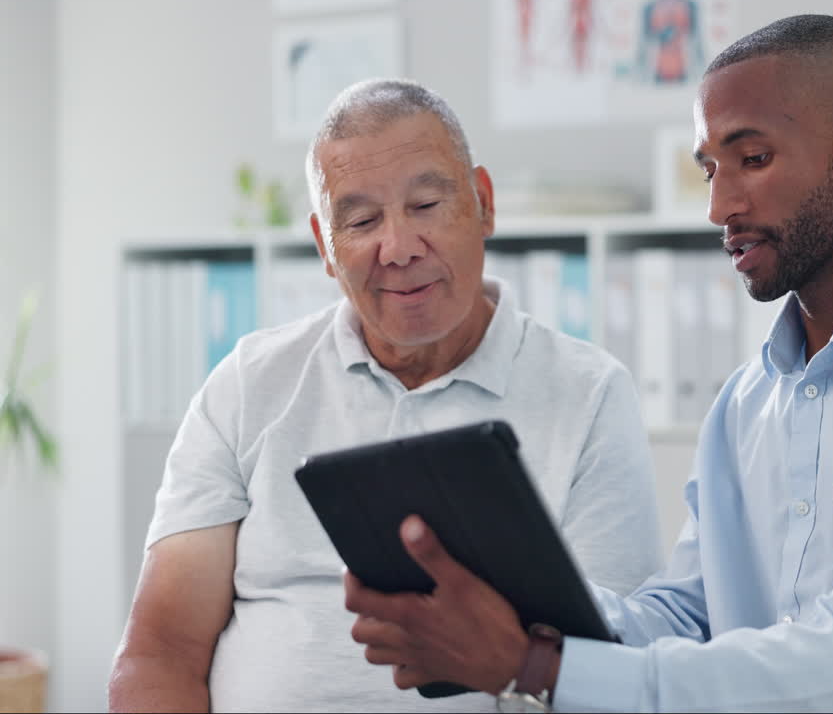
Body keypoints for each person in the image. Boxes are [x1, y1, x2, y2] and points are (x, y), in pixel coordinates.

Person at [341, 14, 833, 713]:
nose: (719, 206)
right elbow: (687, 615)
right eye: (709, 171)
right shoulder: (745, 403)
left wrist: (538, 668)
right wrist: (525, 608)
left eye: (752, 160)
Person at [107, 79, 663, 713]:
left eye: (425, 205)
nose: (397, 248)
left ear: (483, 205)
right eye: (361, 221)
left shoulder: (590, 394)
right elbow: (160, 653)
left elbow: (605, 674)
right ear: (324, 246)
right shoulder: (246, 385)